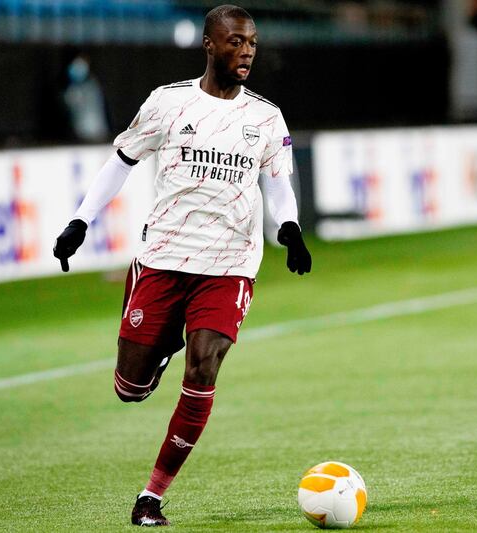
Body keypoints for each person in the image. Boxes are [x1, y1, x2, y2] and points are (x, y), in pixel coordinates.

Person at [53, 4, 311, 527]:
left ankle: (152, 496)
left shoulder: (265, 117)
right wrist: (80, 221)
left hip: (230, 263)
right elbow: (120, 161)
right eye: (236, 42)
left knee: (206, 365)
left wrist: (290, 228)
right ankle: (164, 346)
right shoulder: (167, 103)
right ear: (209, 44)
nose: (247, 52)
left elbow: (279, 184)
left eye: (253, 43)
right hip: (164, 258)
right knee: (130, 388)